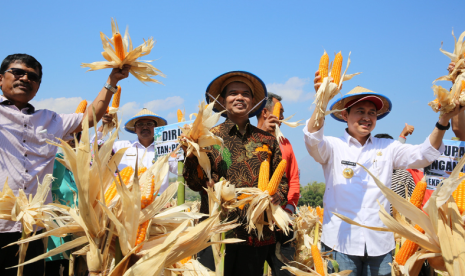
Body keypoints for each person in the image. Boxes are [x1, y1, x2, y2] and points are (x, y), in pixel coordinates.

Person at [303, 69, 463, 276]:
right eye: (360, 111)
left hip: (380, 244)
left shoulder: (387, 146)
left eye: (372, 113)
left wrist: (442, 122)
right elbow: (312, 139)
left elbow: (424, 154)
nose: (367, 117)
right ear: (345, 115)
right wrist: (321, 100)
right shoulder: (333, 146)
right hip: (340, 243)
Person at [0, 53, 130, 275]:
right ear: (1, 78)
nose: (25, 78)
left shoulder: (51, 120)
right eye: (18, 72)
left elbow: (91, 116)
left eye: (32, 76)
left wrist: (112, 82)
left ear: (38, 86)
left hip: (35, 227)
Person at [182, 71, 288, 276]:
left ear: (253, 101)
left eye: (245, 94)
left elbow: (282, 181)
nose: (239, 97)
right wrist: (191, 154)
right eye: (233, 93)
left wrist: (278, 194)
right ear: (222, 101)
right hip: (216, 231)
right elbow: (194, 183)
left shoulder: (267, 139)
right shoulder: (208, 137)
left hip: (256, 233)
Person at [256, 92, 299, 276]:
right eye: (280, 113)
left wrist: (288, 210)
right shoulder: (249, 140)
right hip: (255, 223)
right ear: (265, 112)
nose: (282, 119)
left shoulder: (285, 144)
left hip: (283, 223)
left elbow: (294, 180)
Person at [95, 109, 178, 194]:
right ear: (135, 129)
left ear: (156, 128)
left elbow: (179, 170)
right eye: (140, 124)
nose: (145, 127)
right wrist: (103, 127)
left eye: (149, 124)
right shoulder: (121, 147)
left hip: (158, 203)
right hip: (124, 203)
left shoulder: (166, 150)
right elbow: (92, 150)